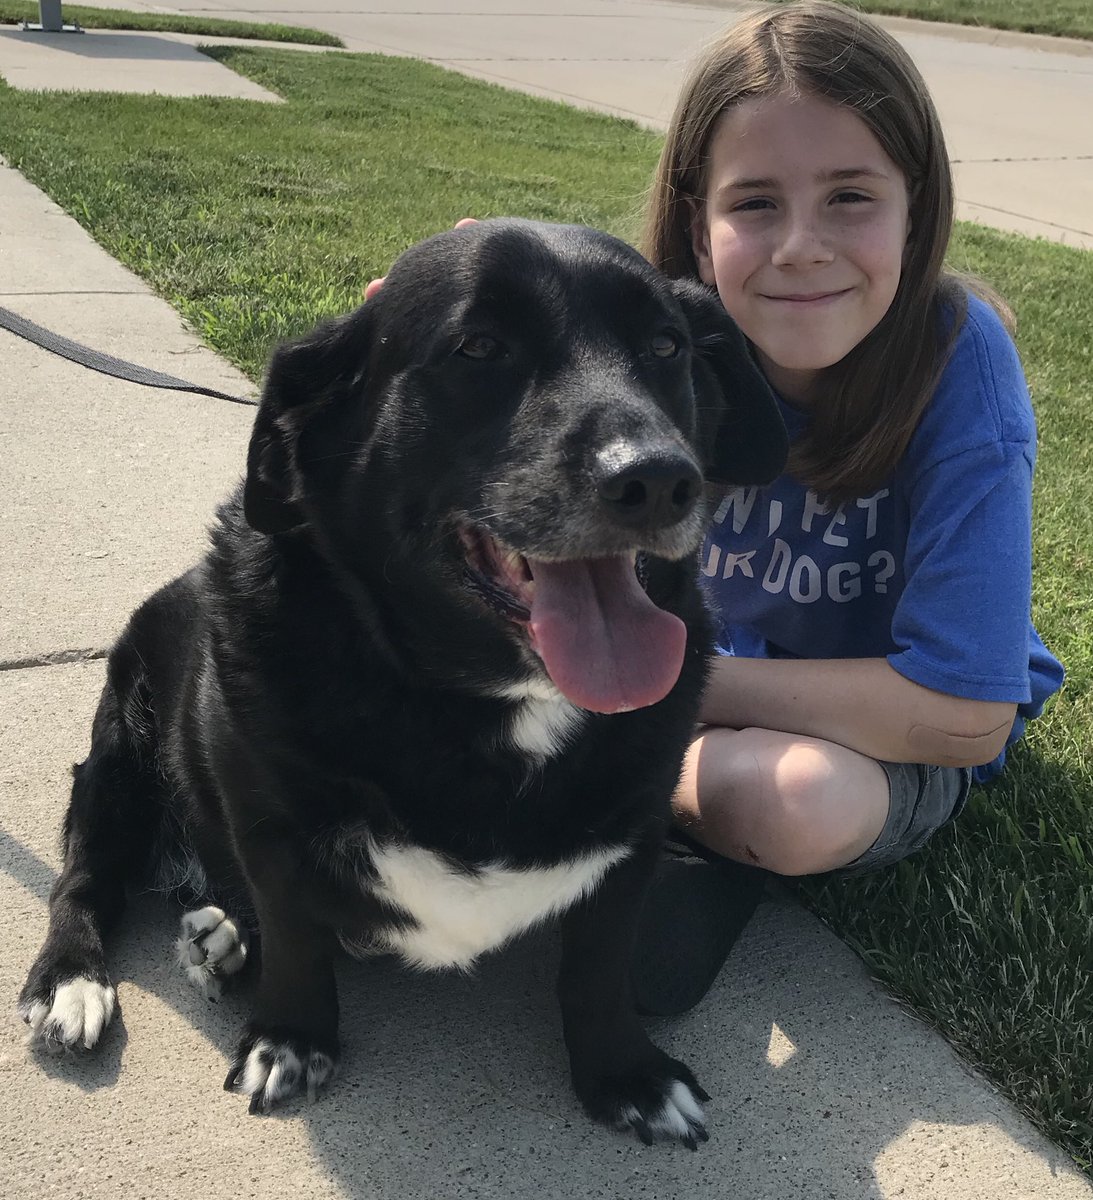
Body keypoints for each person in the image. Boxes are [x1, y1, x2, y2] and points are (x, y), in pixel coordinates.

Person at [629, 0, 1063, 1016]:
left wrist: (669, 694)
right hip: (686, 698)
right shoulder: (654, 346)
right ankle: (621, 816)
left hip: (866, 738)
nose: (800, 248)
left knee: (803, 809)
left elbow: (960, 713)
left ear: (917, 206)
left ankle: (602, 805)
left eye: (851, 197)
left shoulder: (960, 367)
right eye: (755, 205)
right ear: (699, 228)